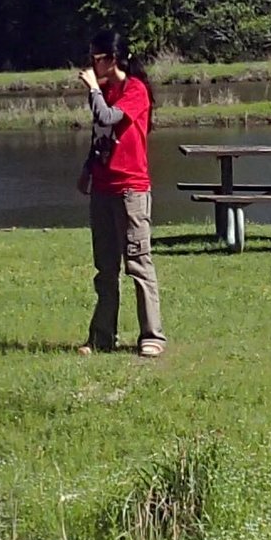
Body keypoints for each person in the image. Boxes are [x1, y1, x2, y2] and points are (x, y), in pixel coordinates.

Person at [76, 29, 164, 356]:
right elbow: (100, 134)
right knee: (106, 267)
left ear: (111, 60)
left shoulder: (135, 91)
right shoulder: (104, 91)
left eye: (95, 58)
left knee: (138, 263)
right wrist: (87, 169)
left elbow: (109, 117)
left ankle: (152, 336)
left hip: (131, 189)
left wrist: (95, 91)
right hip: (103, 188)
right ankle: (101, 337)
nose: (90, 65)